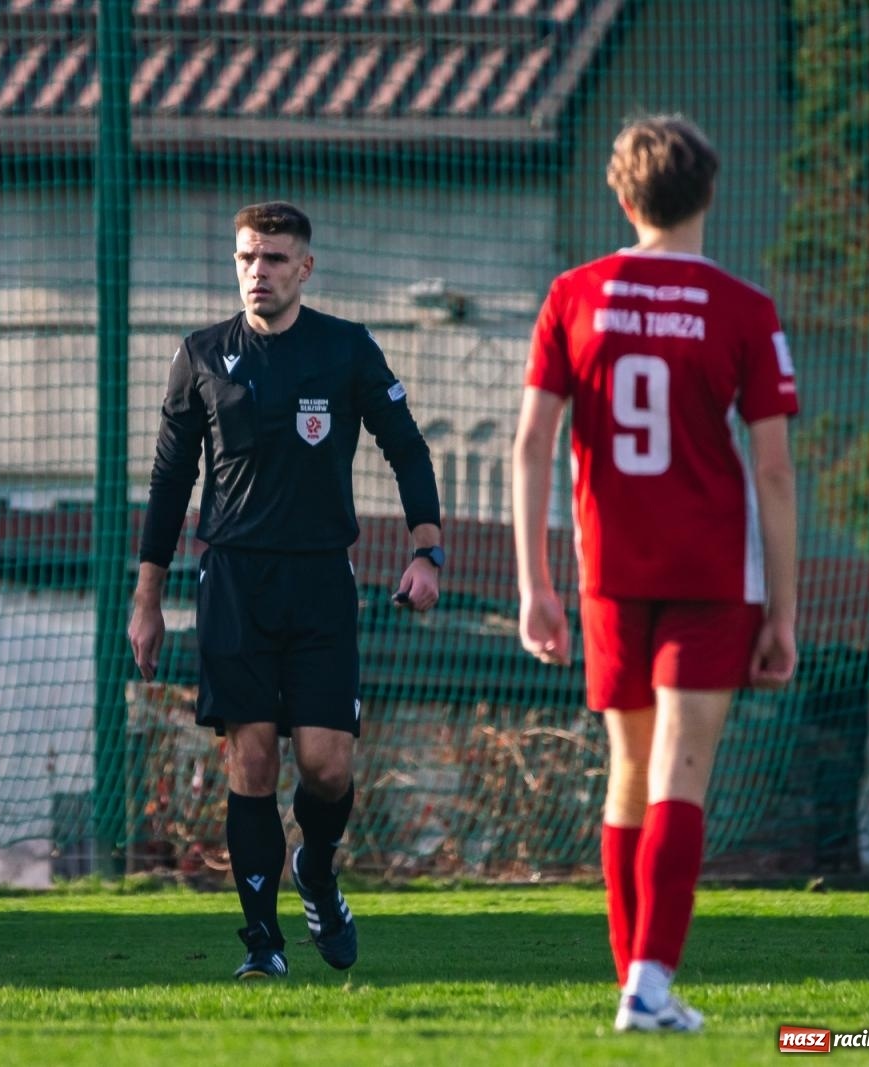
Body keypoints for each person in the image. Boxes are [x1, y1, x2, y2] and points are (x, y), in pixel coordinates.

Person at [512, 115, 798, 1033]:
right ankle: (648, 984)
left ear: (624, 197)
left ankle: (635, 987)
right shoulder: (745, 309)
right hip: (712, 575)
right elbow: (776, 472)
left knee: (627, 769)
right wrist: (783, 614)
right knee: (680, 771)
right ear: (708, 193)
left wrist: (536, 584)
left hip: (608, 574)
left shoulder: (573, 295)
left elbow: (530, 445)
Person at [129, 201, 443, 980]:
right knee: (254, 760)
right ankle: (263, 943)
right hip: (233, 580)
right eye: (246, 258)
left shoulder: (345, 349)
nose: (256, 272)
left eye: (272, 259)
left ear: (305, 267)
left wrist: (425, 551)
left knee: (328, 765)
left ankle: (319, 870)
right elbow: (170, 481)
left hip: (321, 580)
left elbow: (405, 446)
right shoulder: (201, 354)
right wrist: (147, 598)